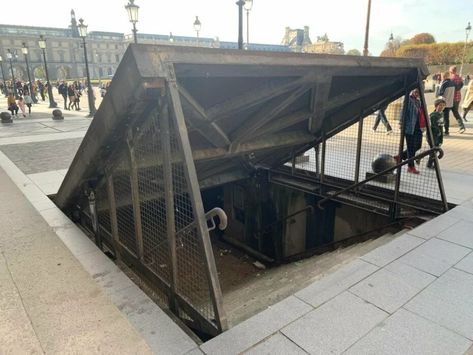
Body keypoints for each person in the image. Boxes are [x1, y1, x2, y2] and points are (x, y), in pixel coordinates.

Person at [395, 89, 426, 174]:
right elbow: (403, 112)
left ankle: (400, 157)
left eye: (419, 93)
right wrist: (401, 123)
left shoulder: (418, 101)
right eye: (416, 92)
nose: (417, 94)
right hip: (409, 127)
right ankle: (411, 167)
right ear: (412, 91)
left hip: (418, 127)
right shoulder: (408, 99)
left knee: (418, 145)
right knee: (411, 147)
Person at [427, 98, 446, 169]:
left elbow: (441, 124)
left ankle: (431, 163)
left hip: (439, 136)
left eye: (443, 106)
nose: (441, 107)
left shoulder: (441, 114)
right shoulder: (433, 115)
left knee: (436, 149)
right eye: (440, 105)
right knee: (434, 150)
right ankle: (430, 164)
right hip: (433, 136)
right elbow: (433, 126)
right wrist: (438, 131)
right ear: (436, 106)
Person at [449, 66, 466, 133]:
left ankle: (444, 128)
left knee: (445, 112)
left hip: (451, 98)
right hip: (458, 97)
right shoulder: (459, 77)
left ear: (451, 70)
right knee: (455, 112)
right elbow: (461, 85)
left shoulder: (451, 78)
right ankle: (461, 126)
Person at [438, 71, 456, 136]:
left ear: (444, 76)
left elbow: (440, 93)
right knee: (446, 117)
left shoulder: (444, 84)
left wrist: (440, 85)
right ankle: (447, 131)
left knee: (440, 117)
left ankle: (440, 130)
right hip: (450, 102)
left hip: (443, 103)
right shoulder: (453, 83)